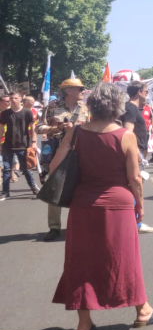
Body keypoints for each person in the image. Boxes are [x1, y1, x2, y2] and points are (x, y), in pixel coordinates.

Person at [50, 82, 153, 330]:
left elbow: (54, 168)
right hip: (119, 205)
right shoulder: (125, 136)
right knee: (125, 260)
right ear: (117, 105)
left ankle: (83, 325)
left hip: (82, 205)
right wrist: (140, 204)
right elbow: (135, 178)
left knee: (80, 261)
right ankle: (142, 311)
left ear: (91, 104)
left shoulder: (76, 133)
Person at [35, 78, 90, 242]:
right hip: (57, 151)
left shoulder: (85, 108)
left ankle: (79, 224)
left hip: (79, 152)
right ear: (69, 91)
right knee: (54, 187)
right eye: (80, 89)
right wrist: (58, 128)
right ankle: (54, 227)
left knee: (81, 188)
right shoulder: (52, 108)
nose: (82, 91)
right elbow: (39, 127)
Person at [121, 81, 153, 234]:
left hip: (138, 151)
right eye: (145, 91)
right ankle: (136, 224)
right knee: (136, 187)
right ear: (139, 92)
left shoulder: (133, 108)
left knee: (135, 187)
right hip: (135, 152)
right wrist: (136, 151)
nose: (147, 93)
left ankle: (134, 222)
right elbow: (127, 132)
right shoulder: (131, 108)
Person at [0, 92, 39, 200]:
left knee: (26, 169)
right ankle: (5, 192)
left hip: (23, 144)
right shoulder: (5, 113)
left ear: (21, 99)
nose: (13, 100)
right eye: (11, 98)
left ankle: (34, 189)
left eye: (15, 98)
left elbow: (33, 127)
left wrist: (34, 141)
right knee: (6, 169)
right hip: (7, 144)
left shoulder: (27, 112)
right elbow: (2, 128)